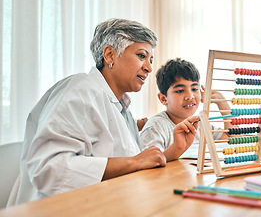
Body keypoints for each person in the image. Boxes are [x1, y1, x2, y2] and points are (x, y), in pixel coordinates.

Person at [7, 19, 199, 206]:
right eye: (141, 56)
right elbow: (48, 169)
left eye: (150, 59)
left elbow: (139, 163)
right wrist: (133, 162)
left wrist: (174, 151)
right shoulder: (80, 91)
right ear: (109, 55)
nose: (149, 68)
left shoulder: (120, 108)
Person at [140, 58, 232, 160]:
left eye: (194, 89)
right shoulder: (155, 127)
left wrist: (222, 102)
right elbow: (152, 162)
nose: (190, 96)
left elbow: (232, 139)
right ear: (163, 98)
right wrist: (177, 148)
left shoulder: (201, 124)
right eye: (180, 91)